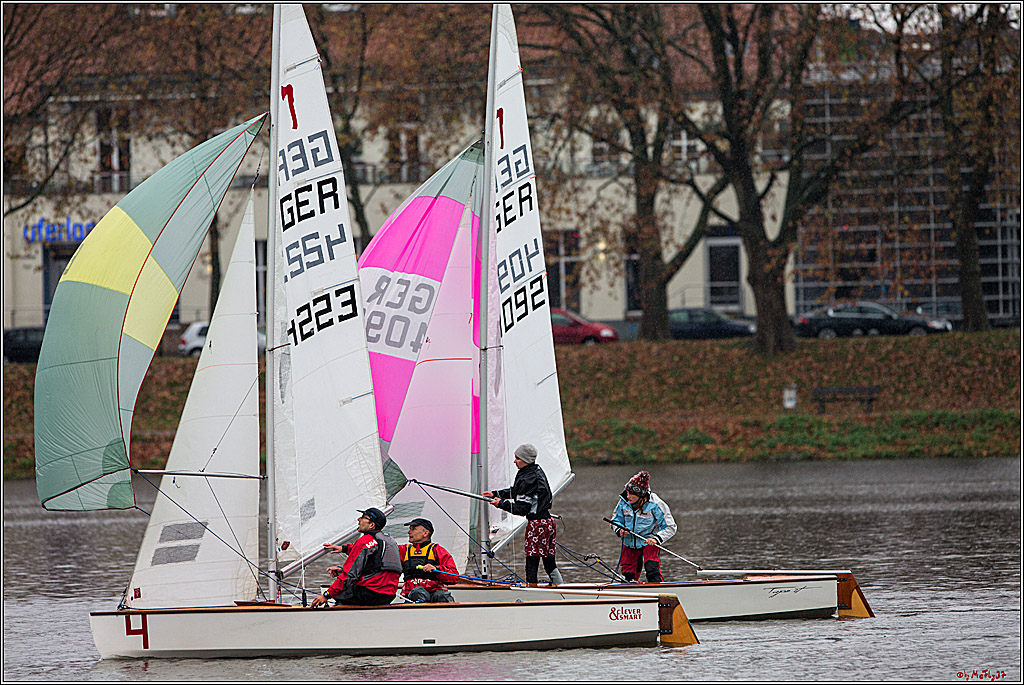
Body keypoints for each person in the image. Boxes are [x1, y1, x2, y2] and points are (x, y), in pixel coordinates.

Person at [482, 443, 563, 586]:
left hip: (537, 525)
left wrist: (501, 504)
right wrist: (496, 494)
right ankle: (561, 587)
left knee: (532, 562)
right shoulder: (534, 470)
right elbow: (517, 491)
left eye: (517, 458)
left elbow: (522, 509)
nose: (514, 461)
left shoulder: (528, 478)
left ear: (525, 459)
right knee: (549, 561)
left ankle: (531, 590)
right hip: (548, 523)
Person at [309, 507, 402, 607]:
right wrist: (343, 548)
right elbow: (370, 554)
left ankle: (341, 618)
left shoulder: (364, 541)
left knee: (342, 591)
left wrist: (326, 595)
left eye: (363, 517)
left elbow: (349, 575)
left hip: (370, 593)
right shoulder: (389, 540)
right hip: (388, 595)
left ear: (371, 525)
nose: (359, 519)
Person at [611, 470, 670, 583]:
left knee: (651, 569)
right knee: (628, 575)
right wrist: (619, 530)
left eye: (631, 494)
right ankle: (629, 592)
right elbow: (615, 520)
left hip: (649, 541)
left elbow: (670, 527)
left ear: (640, 494)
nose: (627, 496)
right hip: (629, 543)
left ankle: (660, 590)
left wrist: (656, 539)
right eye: (627, 493)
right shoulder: (623, 501)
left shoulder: (656, 504)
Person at [398, 517, 459, 603]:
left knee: (442, 596)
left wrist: (436, 569)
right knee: (418, 592)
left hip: (435, 592)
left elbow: (454, 577)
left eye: (413, 529)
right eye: (409, 529)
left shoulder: (437, 550)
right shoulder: (403, 550)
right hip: (414, 594)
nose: (409, 532)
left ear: (425, 533)